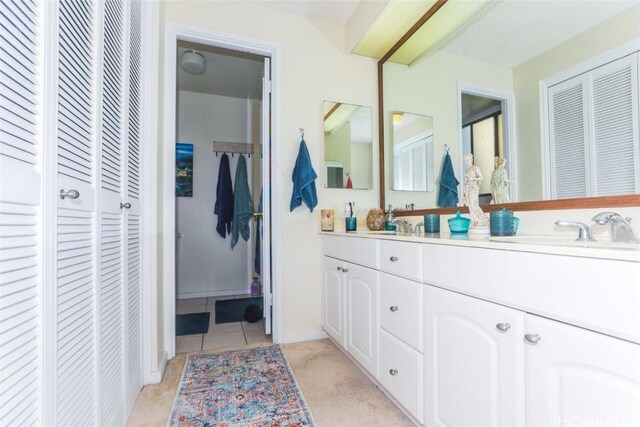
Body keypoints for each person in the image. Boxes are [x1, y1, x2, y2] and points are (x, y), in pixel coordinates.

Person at [462, 153, 489, 227]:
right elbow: (466, 181)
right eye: (465, 161)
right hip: (467, 187)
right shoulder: (467, 170)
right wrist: (464, 193)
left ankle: (484, 219)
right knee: (469, 205)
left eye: (468, 160)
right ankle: (475, 222)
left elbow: (481, 177)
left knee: (473, 204)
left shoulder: (475, 168)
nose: (467, 162)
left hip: (474, 187)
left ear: (471, 159)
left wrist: (473, 178)